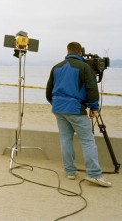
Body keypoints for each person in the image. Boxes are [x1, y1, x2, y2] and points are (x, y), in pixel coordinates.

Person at [46, 42, 111, 187]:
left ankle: (69, 171)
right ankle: (94, 174)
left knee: (65, 139)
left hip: (58, 108)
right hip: (75, 108)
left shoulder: (56, 67)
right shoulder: (84, 67)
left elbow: (48, 91)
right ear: (80, 52)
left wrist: (57, 104)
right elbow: (92, 89)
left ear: (68, 51)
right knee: (87, 141)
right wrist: (94, 108)